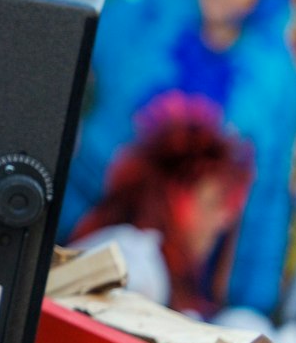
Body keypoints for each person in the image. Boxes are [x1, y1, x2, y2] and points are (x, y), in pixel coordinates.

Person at [62, 0, 296, 317]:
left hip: (192, 266)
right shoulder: (142, 18)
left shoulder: (276, 80)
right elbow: (61, 61)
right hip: (94, 221)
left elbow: (264, 196)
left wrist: (249, 301)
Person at [70, 93, 254, 318]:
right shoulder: (132, 262)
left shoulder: (147, 264)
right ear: (168, 195)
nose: (222, 220)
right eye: (211, 203)